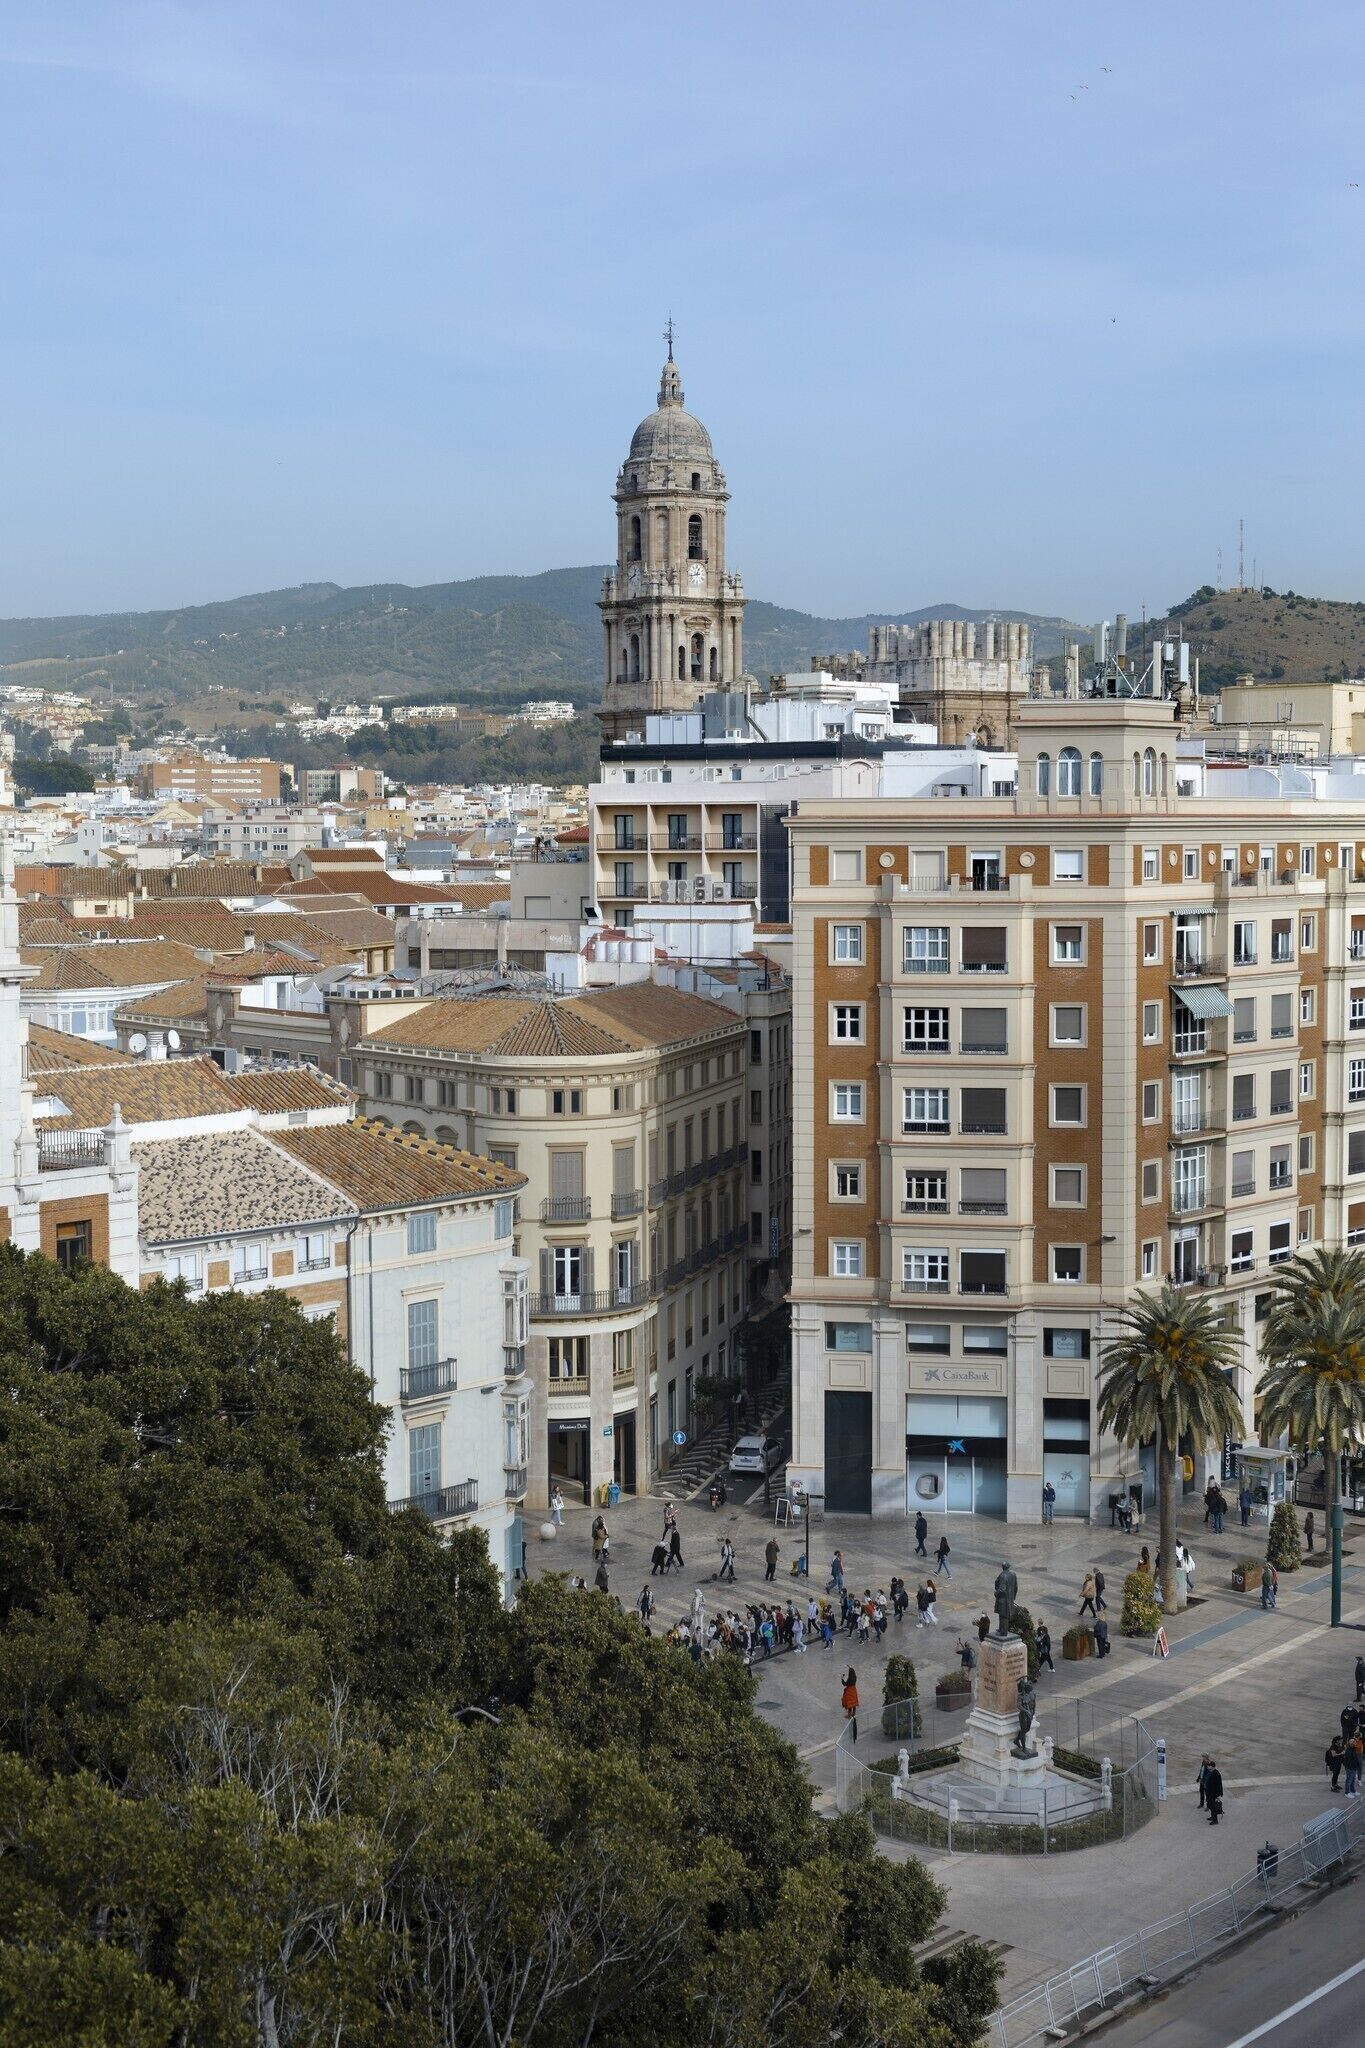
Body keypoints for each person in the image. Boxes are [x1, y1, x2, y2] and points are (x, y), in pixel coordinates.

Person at [841, 1666, 860, 1743]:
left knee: (849, 1703)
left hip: (849, 1691)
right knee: (854, 1702)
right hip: (853, 1690)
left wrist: (842, 1678)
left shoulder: (849, 1679)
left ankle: (849, 1714)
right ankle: (854, 1712)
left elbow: (845, 1684)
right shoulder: (855, 1677)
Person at [1204, 1758, 1224, 1825]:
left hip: (1213, 1794)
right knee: (1209, 1805)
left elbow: (1219, 1785)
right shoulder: (1210, 1772)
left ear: (1212, 1766)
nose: (1207, 1767)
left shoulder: (1216, 1773)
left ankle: (1215, 1820)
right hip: (1209, 1793)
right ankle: (1212, 1817)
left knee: (1213, 1807)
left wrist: (1218, 1795)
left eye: (1208, 1766)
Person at [1346, 1734, 1363, 1800]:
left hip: (1353, 1767)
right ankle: (1347, 1792)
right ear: (1351, 1744)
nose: (1355, 1743)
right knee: (1349, 1780)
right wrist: (1352, 1767)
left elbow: (1360, 1750)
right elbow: (1350, 1761)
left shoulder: (1352, 1749)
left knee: (1353, 1780)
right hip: (1350, 1768)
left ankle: (1353, 1791)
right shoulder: (1349, 1751)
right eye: (1354, 1742)